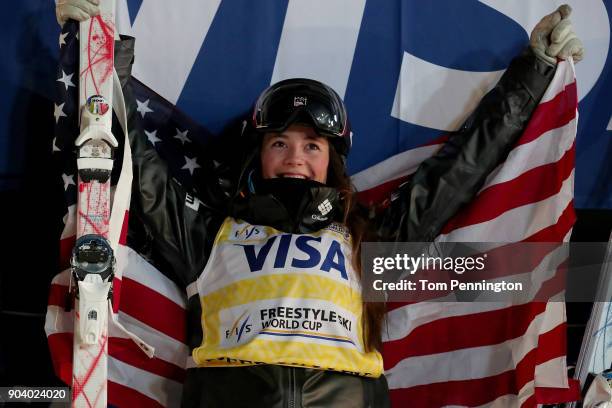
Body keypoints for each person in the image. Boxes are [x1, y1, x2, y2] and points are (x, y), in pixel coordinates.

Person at [55, 2, 584, 407]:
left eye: (312, 146)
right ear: (258, 156)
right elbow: (136, 167)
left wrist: (533, 73)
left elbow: (459, 171)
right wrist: (105, 64)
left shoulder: (370, 239)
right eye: (279, 143)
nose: (294, 158)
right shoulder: (207, 233)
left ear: (334, 161)